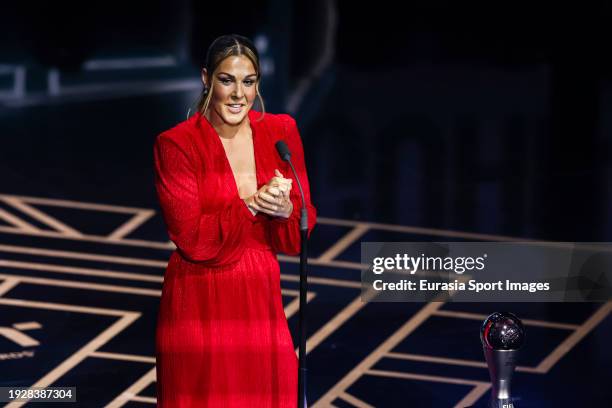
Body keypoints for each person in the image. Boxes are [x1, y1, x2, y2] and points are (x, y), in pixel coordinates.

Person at [153, 34, 317, 407]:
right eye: (227, 79)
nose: (238, 93)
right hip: (199, 297)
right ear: (206, 78)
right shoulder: (176, 144)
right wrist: (250, 205)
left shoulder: (280, 132)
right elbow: (190, 238)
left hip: (259, 296)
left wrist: (286, 210)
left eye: (249, 81)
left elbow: (298, 231)